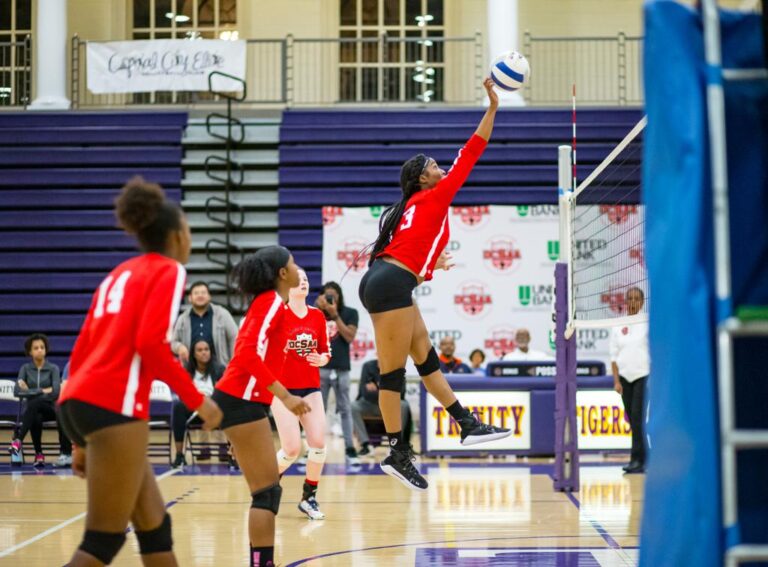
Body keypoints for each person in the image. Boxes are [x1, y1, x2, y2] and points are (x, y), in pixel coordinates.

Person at [56, 177, 222, 567]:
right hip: (115, 406)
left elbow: (83, 350)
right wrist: (198, 399)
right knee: (102, 541)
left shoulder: (119, 273)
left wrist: (81, 439)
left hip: (77, 402)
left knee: (154, 527)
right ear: (178, 236)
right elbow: (151, 345)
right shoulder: (169, 271)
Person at [358, 78, 510, 491]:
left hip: (391, 282)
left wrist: (428, 268)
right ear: (423, 179)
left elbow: (404, 257)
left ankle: (465, 423)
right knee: (392, 375)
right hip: (389, 284)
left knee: (425, 359)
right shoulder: (436, 195)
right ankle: (396, 452)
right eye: (430, 165)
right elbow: (472, 151)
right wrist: (493, 108)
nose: (438, 166)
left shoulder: (411, 206)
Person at [212, 246, 311, 567]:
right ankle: (262, 563)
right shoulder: (269, 302)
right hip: (240, 401)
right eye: (293, 262)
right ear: (283, 273)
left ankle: (261, 562)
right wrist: (285, 396)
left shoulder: (274, 306)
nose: (298, 268)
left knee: (267, 492)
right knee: (266, 494)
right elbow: (245, 353)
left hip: (241, 401)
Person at [272, 268, 330, 520]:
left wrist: (322, 359)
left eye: (306, 279)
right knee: (292, 450)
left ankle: (309, 498)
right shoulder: (277, 315)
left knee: (318, 444)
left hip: (310, 389)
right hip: (282, 391)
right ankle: (267, 488)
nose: (304, 282)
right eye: (299, 279)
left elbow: (326, 350)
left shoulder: (317, 316)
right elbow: (262, 351)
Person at [8, 333, 71, 468]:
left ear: (46, 350)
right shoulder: (25, 369)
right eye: (36, 348)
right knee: (35, 413)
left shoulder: (53, 368)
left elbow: (55, 392)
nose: (40, 350)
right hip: (34, 410)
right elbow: (17, 392)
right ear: (30, 352)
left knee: (34, 403)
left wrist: (31, 391)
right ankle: (39, 454)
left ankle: (18, 440)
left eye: (42, 347)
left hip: (51, 409)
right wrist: (43, 390)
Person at [315, 281, 360, 465]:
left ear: (340, 297)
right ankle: (314, 449)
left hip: (341, 368)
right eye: (327, 296)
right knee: (318, 411)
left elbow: (349, 337)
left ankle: (350, 449)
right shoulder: (315, 315)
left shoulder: (350, 313)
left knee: (345, 409)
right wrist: (317, 312)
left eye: (333, 296)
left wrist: (335, 316)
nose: (330, 299)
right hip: (321, 369)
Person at [610, 287, 650, 474]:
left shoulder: (647, 322)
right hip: (625, 378)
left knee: (637, 418)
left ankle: (637, 460)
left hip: (643, 375)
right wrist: (616, 381)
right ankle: (642, 457)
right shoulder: (618, 324)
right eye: (630, 298)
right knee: (632, 420)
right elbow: (613, 355)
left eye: (636, 298)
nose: (633, 302)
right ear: (625, 302)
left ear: (642, 302)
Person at [171, 339, 226, 468]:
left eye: (206, 350)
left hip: (214, 408)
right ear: (193, 354)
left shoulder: (219, 369)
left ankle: (230, 453)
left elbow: (225, 392)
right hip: (194, 407)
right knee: (178, 406)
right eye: (200, 350)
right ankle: (179, 455)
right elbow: (182, 393)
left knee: (227, 404)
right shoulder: (186, 370)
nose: (204, 353)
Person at [351, 358, 411, 457]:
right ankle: (366, 445)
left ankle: (394, 446)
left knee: (404, 405)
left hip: (390, 405)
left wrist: (378, 388)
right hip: (370, 405)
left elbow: (402, 392)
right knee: (353, 406)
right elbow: (364, 393)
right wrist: (388, 389)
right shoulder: (367, 366)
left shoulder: (398, 368)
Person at [171, 281, 239, 366]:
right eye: (196, 293)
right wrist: (179, 347)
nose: (200, 295)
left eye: (203, 293)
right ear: (190, 298)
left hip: (220, 371)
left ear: (209, 297)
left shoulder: (222, 314)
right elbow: (173, 342)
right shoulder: (183, 318)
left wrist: (233, 363)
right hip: (191, 372)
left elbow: (235, 337)